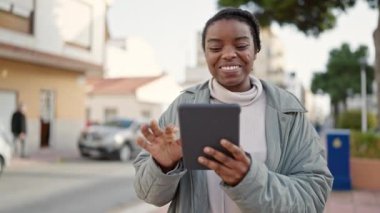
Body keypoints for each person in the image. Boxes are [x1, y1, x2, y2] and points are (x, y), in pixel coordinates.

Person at [133, 8, 333, 213]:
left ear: (256, 49)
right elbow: (148, 194)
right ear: (206, 54)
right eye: (215, 47)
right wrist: (163, 166)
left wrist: (248, 179)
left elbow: (313, 195)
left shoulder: (287, 111)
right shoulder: (183, 106)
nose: (228, 54)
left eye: (241, 45)